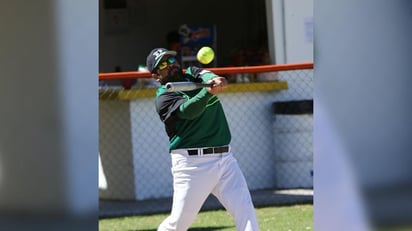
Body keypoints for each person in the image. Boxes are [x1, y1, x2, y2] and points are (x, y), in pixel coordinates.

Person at [146, 48, 260, 231]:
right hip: (193, 164)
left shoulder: (192, 74)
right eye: (164, 64)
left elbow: (206, 75)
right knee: (179, 223)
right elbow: (189, 111)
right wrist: (207, 92)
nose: (172, 64)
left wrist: (213, 81)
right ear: (156, 75)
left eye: (172, 59)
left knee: (245, 212)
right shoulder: (164, 96)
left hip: (225, 159)